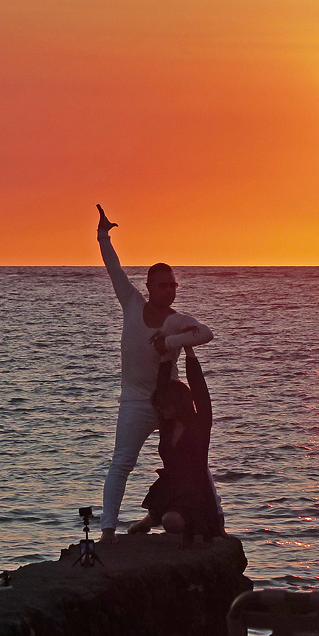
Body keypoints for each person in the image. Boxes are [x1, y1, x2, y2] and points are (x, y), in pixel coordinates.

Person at [96, 204, 214, 544]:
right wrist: (103, 235)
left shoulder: (176, 320)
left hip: (170, 403)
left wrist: (170, 340)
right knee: (121, 464)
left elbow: (206, 333)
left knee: (191, 462)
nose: (169, 290)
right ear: (149, 286)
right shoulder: (131, 303)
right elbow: (114, 269)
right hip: (135, 402)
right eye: (163, 285)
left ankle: (205, 517)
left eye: (173, 285)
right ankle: (107, 532)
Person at [130, 346, 222, 546]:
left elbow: (200, 391)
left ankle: (159, 518)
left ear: (177, 403)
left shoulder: (200, 425)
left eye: (164, 405)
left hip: (194, 491)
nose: (160, 410)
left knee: (171, 522)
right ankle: (153, 516)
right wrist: (165, 356)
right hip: (169, 486)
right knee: (153, 522)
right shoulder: (167, 426)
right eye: (159, 406)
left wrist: (189, 353)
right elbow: (161, 384)